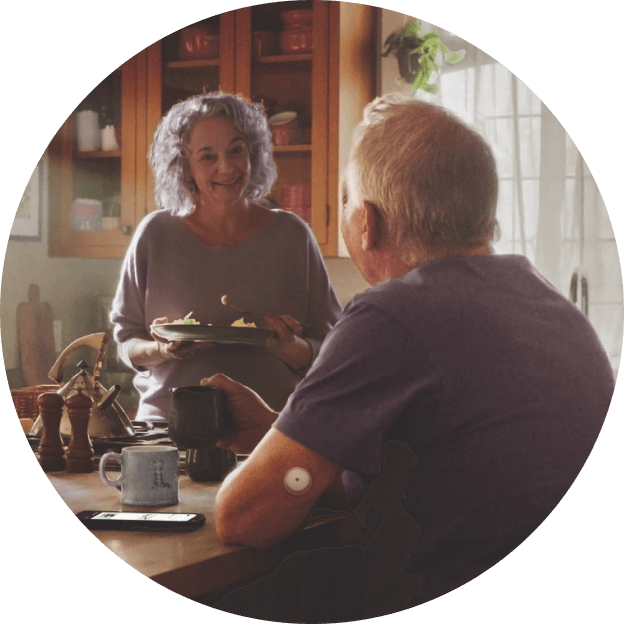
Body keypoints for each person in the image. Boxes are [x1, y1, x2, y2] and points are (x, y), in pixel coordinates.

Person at [198, 94, 615, 617]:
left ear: (367, 221)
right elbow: (448, 471)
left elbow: (245, 519)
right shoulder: (551, 305)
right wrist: (281, 435)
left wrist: (253, 476)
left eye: (346, 198)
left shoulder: (393, 316)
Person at [110, 92, 341, 422]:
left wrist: (286, 347)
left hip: (269, 432)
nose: (227, 167)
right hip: (170, 427)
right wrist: (160, 350)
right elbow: (127, 340)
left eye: (236, 150)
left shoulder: (292, 235)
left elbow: (330, 348)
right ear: (186, 167)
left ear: (253, 152)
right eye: (207, 157)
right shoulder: (155, 234)